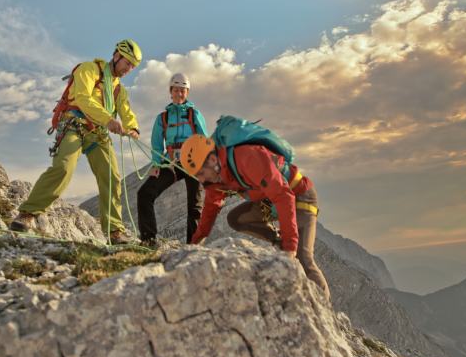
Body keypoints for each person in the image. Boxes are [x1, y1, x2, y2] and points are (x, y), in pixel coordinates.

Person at [10, 39, 142, 244]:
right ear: (116, 56)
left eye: (133, 66)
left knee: (112, 177)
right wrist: (108, 120)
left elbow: (125, 111)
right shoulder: (88, 69)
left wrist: (132, 127)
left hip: (98, 133)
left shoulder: (119, 90)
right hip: (74, 123)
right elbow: (82, 98)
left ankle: (114, 231)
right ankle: (28, 214)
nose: (129, 69)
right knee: (63, 167)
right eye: (127, 63)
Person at [180, 122, 331, 300]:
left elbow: (284, 196)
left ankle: (324, 307)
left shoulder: (247, 157)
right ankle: (278, 241)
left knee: (303, 257)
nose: (201, 180)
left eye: (200, 173)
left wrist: (291, 248)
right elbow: (210, 210)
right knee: (236, 218)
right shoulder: (215, 180)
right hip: (271, 201)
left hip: (299, 196)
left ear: (212, 160)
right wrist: (194, 243)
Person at [137, 73, 208, 247]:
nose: (179, 94)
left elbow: (204, 138)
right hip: (171, 163)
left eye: (183, 90)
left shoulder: (194, 114)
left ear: (187, 92)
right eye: (176, 90)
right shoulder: (163, 117)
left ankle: (194, 246)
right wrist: (156, 164)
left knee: (195, 207)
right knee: (145, 193)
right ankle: (148, 240)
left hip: (193, 163)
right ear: (170, 91)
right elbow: (156, 143)